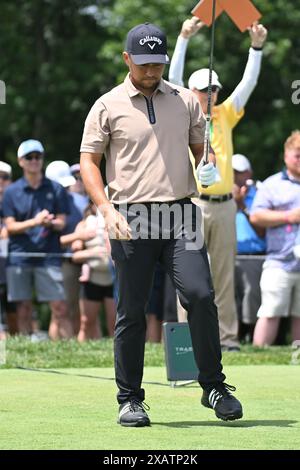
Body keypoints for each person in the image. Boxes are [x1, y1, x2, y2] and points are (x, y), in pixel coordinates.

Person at [80, 22, 243, 427]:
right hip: (130, 216)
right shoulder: (107, 104)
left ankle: (213, 386)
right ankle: (130, 399)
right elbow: (89, 161)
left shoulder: (186, 100)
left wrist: (206, 165)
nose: (151, 71)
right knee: (132, 311)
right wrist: (105, 208)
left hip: (180, 214)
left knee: (202, 296)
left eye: (158, 63)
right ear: (127, 59)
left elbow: (198, 150)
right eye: (144, 63)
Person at [168, 17, 268, 350]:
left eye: (214, 89)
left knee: (224, 277)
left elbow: (249, 83)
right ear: (192, 92)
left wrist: (256, 48)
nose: (210, 94)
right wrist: (183, 39)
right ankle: (187, 341)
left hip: (224, 205)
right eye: (203, 89)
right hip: (192, 204)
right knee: (189, 277)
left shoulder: (226, 113)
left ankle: (227, 338)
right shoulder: (181, 111)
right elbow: (174, 78)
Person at [2, 140, 72, 339]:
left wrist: (49, 223)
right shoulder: (11, 192)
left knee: (60, 307)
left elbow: (62, 222)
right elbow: (11, 226)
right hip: (19, 256)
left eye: (37, 157)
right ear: (20, 161)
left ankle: (69, 352)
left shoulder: (56, 188)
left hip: (49, 254)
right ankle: (26, 351)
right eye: (29, 157)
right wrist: (35, 222)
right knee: (22, 309)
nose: (34, 161)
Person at [250, 131, 300, 346]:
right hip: (279, 260)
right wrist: (289, 216)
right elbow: (256, 216)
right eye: (297, 154)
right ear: (286, 155)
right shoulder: (272, 184)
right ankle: (259, 357)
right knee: (270, 311)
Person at [46, 160, 88, 335]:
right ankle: (60, 350)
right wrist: (78, 237)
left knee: (74, 309)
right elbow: (47, 240)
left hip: (76, 260)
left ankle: (74, 351)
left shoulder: (76, 200)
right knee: (59, 310)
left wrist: (81, 240)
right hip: (56, 261)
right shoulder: (46, 204)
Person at [232, 154, 266, 342]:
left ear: (249, 172)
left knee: (251, 300)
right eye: (233, 173)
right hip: (228, 254)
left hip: (253, 256)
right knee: (228, 300)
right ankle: (232, 340)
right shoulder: (221, 195)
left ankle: (253, 340)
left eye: (240, 172)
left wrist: (241, 204)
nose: (236, 177)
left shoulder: (260, 194)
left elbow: (261, 231)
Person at [71, 200, 116, 341]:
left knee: (115, 323)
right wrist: (93, 252)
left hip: (113, 279)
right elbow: (75, 254)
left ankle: (117, 355)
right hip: (92, 280)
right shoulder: (83, 224)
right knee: (86, 322)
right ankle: (82, 354)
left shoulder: (116, 220)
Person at [0, 162, 17, 337]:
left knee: (14, 314)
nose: (0, 181)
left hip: (12, 267)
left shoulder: (15, 198)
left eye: (4, 177)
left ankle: (13, 352)